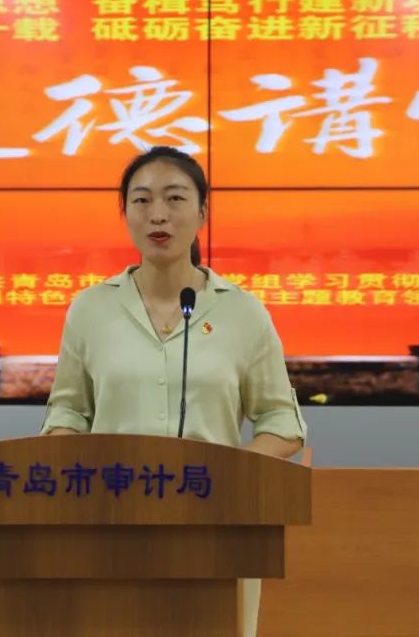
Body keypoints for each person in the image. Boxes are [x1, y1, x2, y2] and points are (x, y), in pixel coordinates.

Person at [40, 145, 308, 637]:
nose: (158, 214)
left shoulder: (243, 312)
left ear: (203, 213)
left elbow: (283, 424)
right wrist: (68, 461)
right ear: (125, 213)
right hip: (111, 526)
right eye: (142, 200)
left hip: (217, 530)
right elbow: (68, 413)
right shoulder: (90, 309)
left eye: (175, 198)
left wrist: (228, 476)